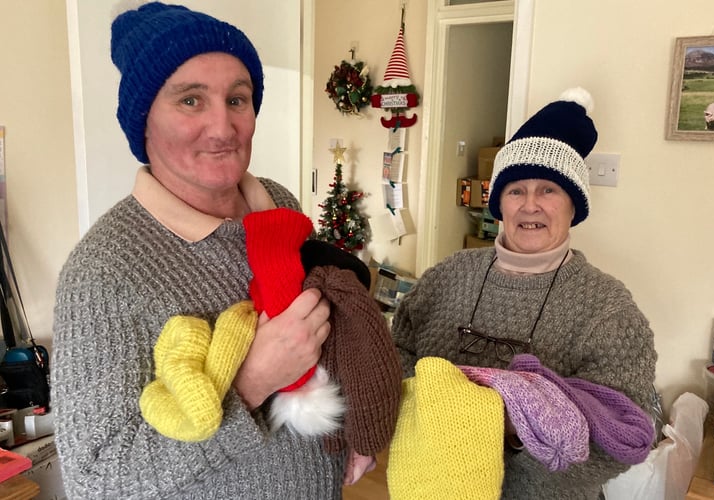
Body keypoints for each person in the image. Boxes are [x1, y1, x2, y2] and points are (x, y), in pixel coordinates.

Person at [51, 3, 371, 498]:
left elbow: (323, 337)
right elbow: (97, 482)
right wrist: (250, 384)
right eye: (191, 101)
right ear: (144, 121)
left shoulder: (277, 204)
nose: (223, 128)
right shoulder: (104, 270)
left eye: (237, 99)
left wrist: (357, 422)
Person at [389, 88, 658, 499]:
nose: (530, 205)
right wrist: (429, 416)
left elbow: (622, 434)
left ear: (574, 206)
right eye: (516, 190)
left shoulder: (608, 309)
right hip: (432, 483)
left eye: (549, 190)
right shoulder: (447, 276)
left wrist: (517, 434)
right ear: (499, 205)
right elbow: (399, 350)